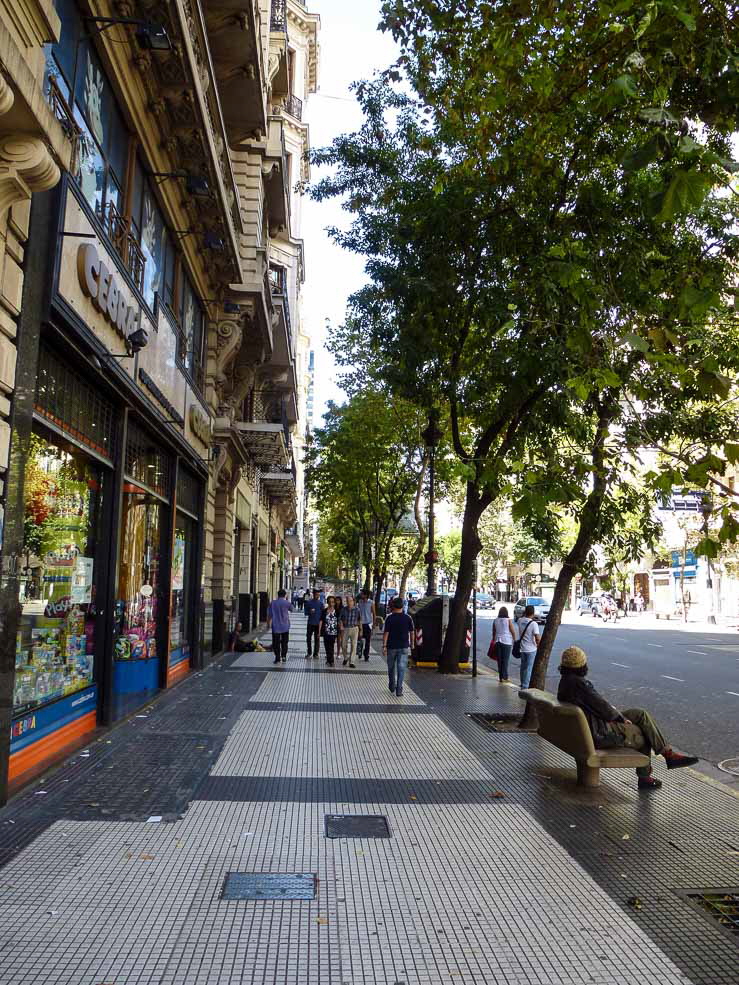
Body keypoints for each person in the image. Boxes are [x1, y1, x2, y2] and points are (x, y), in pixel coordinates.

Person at [557, 645, 698, 790]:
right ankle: (647, 775)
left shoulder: (566, 682)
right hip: (599, 732)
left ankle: (668, 754)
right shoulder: (580, 684)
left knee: (640, 714)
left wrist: (615, 715)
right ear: (581, 664)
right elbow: (601, 706)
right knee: (644, 732)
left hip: (588, 727)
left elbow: (596, 705)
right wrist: (619, 718)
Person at [382, 595, 414, 696]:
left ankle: (392, 684)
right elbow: (412, 632)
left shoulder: (389, 618)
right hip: (404, 646)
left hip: (391, 647)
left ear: (393, 606)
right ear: (402, 606)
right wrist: (412, 644)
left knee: (391, 667)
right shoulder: (408, 618)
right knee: (401, 668)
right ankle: (399, 688)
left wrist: (384, 646)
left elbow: (386, 633)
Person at [515, 605, 540, 689]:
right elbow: (537, 637)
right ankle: (526, 686)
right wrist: (538, 645)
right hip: (531, 649)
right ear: (533, 613)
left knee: (523, 667)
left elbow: (521, 618)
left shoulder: (520, 620)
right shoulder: (534, 624)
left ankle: (522, 683)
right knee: (528, 668)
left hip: (522, 648)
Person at [266, 589, 293, 664]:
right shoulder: (287, 603)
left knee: (276, 643)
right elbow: (292, 609)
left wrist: (268, 624)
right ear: (285, 595)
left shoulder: (273, 603)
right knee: (285, 642)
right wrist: (287, 601)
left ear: (278, 595)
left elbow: (269, 615)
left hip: (275, 626)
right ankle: (284, 656)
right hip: (285, 626)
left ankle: (277, 658)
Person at [492, 606, 516, 683]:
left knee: (499, 660)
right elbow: (512, 631)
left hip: (498, 641)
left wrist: (493, 640)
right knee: (505, 660)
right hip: (506, 642)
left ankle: (500, 677)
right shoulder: (508, 620)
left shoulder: (495, 620)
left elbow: (494, 632)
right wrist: (514, 640)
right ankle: (505, 677)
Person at [339, 593, 361, 667]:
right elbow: (340, 619)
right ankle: (345, 657)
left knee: (353, 645)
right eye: (348, 601)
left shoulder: (357, 609)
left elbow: (360, 619)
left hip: (354, 628)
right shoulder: (343, 609)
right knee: (343, 645)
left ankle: (352, 662)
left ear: (353, 601)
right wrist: (341, 625)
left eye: (351, 601)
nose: (349, 602)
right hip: (345, 629)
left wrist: (361, 629)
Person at [320, 596, 339, 666]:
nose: (331, 603)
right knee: (326, 646)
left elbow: (339, 622)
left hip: (333, 632)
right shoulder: (324, 611)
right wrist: (319, 631)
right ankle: (328, 659)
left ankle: (331, 661)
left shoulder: (337, 611)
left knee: (331, 646)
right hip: (326, 632)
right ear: (328, 602)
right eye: (330, 602)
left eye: (333, 602)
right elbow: (321, 621)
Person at [304, 589, 323, 659]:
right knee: (308, 638)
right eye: (316, 595)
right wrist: (310, 612)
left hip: (318, 624)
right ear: (313, 595)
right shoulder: (309, 603)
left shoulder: (321, 604)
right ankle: (309, 652)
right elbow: (305, 612)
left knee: (317, 639)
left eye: (318, 595)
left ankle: (316, 653)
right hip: (310, 623)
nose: (317, 596)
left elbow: (322, 614)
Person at [358, 590, 376, 662]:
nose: (361, 595)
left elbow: (374, 614)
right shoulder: (360, 602)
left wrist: (374, 624)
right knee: (359, 639)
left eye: (362, 594)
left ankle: (366, 655)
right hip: (361, 624)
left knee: (368, 641)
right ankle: (359, 652)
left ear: (366, 595)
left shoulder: (371, 602)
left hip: (368, 624)